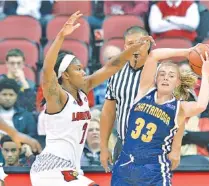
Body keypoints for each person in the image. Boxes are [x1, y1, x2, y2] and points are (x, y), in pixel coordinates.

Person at [30, 11, 152, 186]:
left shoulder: (83, 89)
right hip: (51, 167)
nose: (83, 72)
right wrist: (61, 36)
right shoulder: (57, 97)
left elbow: (112, 66)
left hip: (71, 167)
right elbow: (48, 70)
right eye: (78, 69)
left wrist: (133, 48)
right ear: (65, 75)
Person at [111, 47, 209, 186]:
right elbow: (154, 55)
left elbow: (201, 105)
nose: (166, 77)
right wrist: (187, 51)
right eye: (162, 74)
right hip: (125, 165)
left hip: (153, 169)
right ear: (155, 79)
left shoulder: (179, 107)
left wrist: (205, 74)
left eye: (171, 75)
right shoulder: (143, 92)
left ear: (178, 82)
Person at [100, 26, 182, 173]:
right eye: (131, 44)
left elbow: (178, 113)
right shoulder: (115, 72)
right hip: (123, 145)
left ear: (149, 45)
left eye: (141, 43)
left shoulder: (161, 73)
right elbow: (108, 113)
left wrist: (176, 149)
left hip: (154, 149)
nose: (136, 47)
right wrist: (104, 147)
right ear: (125, 46)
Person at [0, 116, 42, 185]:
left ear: (20, 150)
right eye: (6, 150)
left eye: (13, 150)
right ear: (1, 150)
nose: (9, 155)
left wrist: (30, 156)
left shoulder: (29, 167)